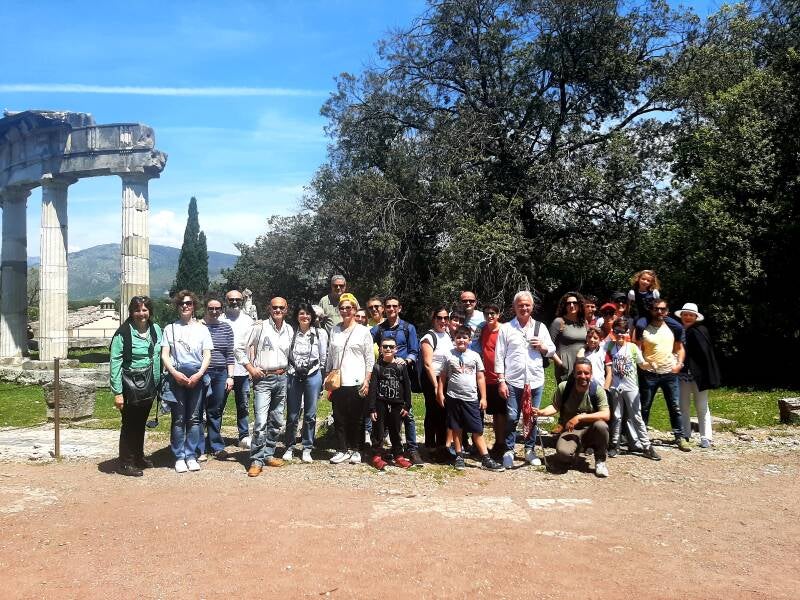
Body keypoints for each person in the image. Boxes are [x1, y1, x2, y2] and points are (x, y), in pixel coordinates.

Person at [494, 291, 555, 469]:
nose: (524, 308)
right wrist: (501, 380)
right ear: (514, 307)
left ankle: (530, 450)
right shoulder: (506, 328)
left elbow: (551, 350)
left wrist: (543, 347)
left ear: (532, 307)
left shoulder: (540, 327)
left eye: (527, 305)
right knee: (512, 417)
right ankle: (509, 451)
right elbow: (499, 356)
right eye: (520, 305)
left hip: (535, 380)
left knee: (532, 416)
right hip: (513, 380)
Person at [237, 297, 294, 476]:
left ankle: (268, 454)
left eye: (281, 308)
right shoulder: (259, 327)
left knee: (276, 420)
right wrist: (250, 368)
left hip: (282, 377)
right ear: (269, 308)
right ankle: (256, 459)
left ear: (286, 309)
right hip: (263, 379)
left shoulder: (289, 329)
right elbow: (238, 348)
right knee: (261, 421)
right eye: (274, 307)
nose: (277, 310)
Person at [437, 326, 505, 472]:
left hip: (471, 398)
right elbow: (443, 376)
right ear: (454, 339)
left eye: (465, 337)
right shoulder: (448, 355)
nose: (461, 340)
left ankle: (486, 458)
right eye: (459, 337)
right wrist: (440, 393)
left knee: (477, 429)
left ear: (470, 340)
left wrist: (484, 397)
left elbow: (480, 377)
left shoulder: (474, 356)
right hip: (453, 397)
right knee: (456, 427)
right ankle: (459, 455)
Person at [109, 295, 162, 477]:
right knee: (129, 424)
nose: (141, 314)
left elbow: (159, 355)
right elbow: (115, 363)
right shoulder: (122, 333)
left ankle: (138, 457)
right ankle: (125, 463)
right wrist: (117, 393)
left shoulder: (155, 329)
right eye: (137, 310)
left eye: (145, 310)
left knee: (140, 424)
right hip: (129, 385)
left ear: (150, 311)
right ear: (132, 312)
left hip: (149, 384)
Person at [161, 290, 213, 473]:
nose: (185, 306)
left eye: (189, 303)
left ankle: (191, 454)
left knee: (194, 418)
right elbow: (165, 355)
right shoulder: (170, 328)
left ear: (194, 307)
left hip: (196, 377)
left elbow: (207, 354)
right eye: (182, 303)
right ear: (177, 306)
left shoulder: (202, 329)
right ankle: (179, 456)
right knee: (178, 418)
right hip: (177, 377)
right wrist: (175, 373)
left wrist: (199, 374)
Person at [532, 359, 611, 477]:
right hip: (570, 431)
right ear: (574, 374)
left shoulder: (597, 390)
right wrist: (541, 412)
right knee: (563, 454)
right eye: (579, 373)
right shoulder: (564, 387)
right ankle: (575, 452)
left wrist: (580, 417)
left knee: (601, 426)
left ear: (591, 374)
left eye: (586, 373)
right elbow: (555, 406)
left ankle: (600, 461)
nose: (583, 376)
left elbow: (606, 414)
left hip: (591, 430)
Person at [370, 295, 422, 465]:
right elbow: (365, 340)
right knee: (383, 416)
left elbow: (414, 351)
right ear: (384, 308)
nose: (391, 309)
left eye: (394, 306)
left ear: (400, 308)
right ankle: (382, 450)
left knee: (408, 415)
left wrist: (405, 361)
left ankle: (412, 449)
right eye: (388, 306)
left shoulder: (408, 328)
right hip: (384, 376)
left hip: (401, 376)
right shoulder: (379, 329)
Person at [635, 298, 691, 452]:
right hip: (649, 373)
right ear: (651, 310)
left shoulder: (674, 328)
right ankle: (643, 436)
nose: (659, 312)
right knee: (645, 406)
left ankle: (679, 437)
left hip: (669, 372)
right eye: (655, 309)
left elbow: (679, 348)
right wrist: (642, 364)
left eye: (662, 309)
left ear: (667, 311)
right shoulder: (643, 327)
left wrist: (679, 364)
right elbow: (637, 348)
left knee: (675, 406)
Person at [326, 293, 375, 464]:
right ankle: (342, 449)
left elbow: (370, 359)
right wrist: (328, 376)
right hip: (339, 380)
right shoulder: (334, 330)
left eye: (349, 307)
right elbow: (330, 355)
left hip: (357, 380)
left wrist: (367, 380)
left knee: (357, 418)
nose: (345, 311)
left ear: (355, 309)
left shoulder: (363, 331)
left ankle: (356, 449)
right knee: (339, 417)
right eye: (342, 308)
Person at [604, 318, 661, 460]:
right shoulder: (609, 346)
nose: (619, 335)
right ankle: (614, 445)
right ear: (613, 332)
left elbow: (642, 364)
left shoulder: (633, 347)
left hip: (631, 387)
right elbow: (598, 351)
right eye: (616, 332)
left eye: (622, 332)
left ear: (627, 332)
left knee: (636, 416)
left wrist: (651, 365)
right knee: (616, 416)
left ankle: (647, 446)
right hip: (616, 387)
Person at [283, 303, 328, 463]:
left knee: (310, 414)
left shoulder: (320, 333)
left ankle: (307, 447)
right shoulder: (290, 332)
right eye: (302, 313)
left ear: (313, 317)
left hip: (313, 374)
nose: (305, 317)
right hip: (293, 375)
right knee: (293, 414)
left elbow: (323, 358)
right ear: (297, 315)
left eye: (308, 314)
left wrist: (321, 378)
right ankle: (289, 446)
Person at [676, 303, 721, 448]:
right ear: (681, 316)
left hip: (699, 376)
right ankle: (686, 434)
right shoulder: (678, 331)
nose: (688, 317)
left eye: (691, 315)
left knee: (702, 406)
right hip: (683, 375)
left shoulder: (701, 330)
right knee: (683, 405)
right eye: (685, 314)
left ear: (696, 317)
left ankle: (706, 437)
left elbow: (706, 356)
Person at [368, 335, 413, 470]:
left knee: (395, 430)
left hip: (397, 403)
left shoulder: (401, 366)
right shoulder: (377, 367)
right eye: (385, 346)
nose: (388, 349)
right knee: (378, 430)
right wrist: (372, 408)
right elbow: (373, 388)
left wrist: (407, 405)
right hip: (380, 403)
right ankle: (376, 455)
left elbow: (407, 386)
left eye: (391, 346)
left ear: (396, 349)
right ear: (380, 349)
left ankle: (398, 455)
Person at [219, 289, 255, 449]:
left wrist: (252, 367)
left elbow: (252, 345)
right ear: (226, 300)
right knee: (218, 405)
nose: (234, 302)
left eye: (237, 299)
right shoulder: (219, 319)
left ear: (242, 301)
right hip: (223, 370)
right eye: (231, 299)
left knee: (243, 404)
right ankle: (215, 438)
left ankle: (244, 435)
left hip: (243, 369)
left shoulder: (248, 321)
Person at [419, 306, 455, 459]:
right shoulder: (429, 337)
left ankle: (442, 446)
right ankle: (431, 447)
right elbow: (428, 364)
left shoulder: (446, 335)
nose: (442, 321)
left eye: (445, 318)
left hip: (445, 379)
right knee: (433, 412)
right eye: (439, 318)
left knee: (443, 413)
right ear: (433, 319)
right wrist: (435, 386)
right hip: (432, 379)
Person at [202, 296, 235, 460]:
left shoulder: (227, 328)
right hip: (202, 373)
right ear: (205, 309)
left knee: (215, 410)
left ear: (222, 310)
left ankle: (215, 445)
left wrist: (230, 376)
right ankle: (199, 446)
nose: (214, 312)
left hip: (221, 373)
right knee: (198, 410)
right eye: (211, 308)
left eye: (217, 308)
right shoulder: (199, 327)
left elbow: (230, 354)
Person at [479, 303, 506, 456]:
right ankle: (496, 442)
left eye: (493, 313)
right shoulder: (483, 330)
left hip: (500, 378)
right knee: (494, 412)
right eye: (487, 313)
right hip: (486, 377)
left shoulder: (504, 330)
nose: (490, 316)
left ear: (498, 315)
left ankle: (502, 443)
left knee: (502, 413)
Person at [550, 292, 588, 383]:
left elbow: (588, 343)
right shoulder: (559, 322)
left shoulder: (584, 323)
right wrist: (560, 364)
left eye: (574, 303)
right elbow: (549, 346)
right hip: (565, 367)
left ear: (579, 305)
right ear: (564, 306)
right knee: (566, 395)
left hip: (582, 366)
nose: (571, 305)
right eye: (568, 303)